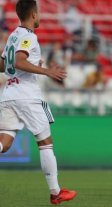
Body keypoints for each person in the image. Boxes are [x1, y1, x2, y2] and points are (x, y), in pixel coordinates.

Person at [0, 0, 76, 204]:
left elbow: (4, 64)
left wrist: (32, 64)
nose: (40, 15)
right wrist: (47, 71)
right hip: (27, 96)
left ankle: (56, 191)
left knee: (4, 144)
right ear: (34, 14)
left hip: (8, 94)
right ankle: (55, 192)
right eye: (39, 12)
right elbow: (18, 61)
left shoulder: (13, 36)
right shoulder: (28, 37)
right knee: (45, 143)